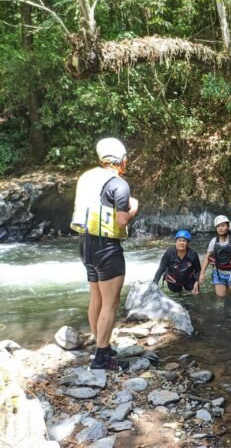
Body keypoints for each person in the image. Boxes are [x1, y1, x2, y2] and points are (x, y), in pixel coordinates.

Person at [71, 137, 138, 371]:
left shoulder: (87, 177)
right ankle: (101, 358)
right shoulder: (118, 184)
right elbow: (122, 219)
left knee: (96, 298)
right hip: (107, 247)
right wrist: (135, 207)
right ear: (121, 160)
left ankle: (102, 346)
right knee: (111, 303)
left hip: (85, 244)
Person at [198, 215, 231, 301]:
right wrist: (202, 273)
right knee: (221, 299)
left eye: (223, 225)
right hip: (218, 273)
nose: (220, 228)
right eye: (218, 226)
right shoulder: (213, 241)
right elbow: (208, 257)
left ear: (228, 227)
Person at [153, 230, 201, 294]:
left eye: (184, 241)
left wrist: (197, 281)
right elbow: (161, 269)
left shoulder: (193, 255)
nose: (181, 243)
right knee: (177, 295)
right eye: (179, 240)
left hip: (188, 279)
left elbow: (198, 269)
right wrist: (154, 284)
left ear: (187, 243)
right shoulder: (169, 253)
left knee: (195, 294)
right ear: (176, 242)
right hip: (173, 280)